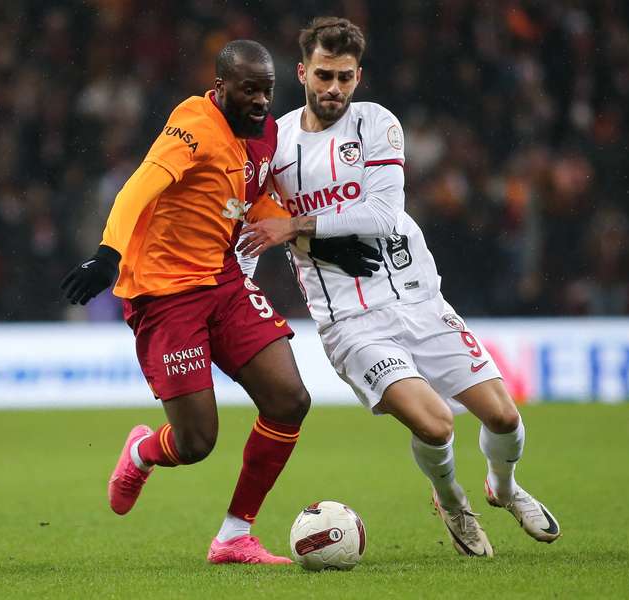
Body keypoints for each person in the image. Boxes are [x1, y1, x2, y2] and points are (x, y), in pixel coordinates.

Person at [238, 17, 561, 557]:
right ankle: (452, 499)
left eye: (344, 77)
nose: (333, 88)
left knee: (505, 418)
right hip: (351, 322)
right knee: (436, 426)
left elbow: (385, 214)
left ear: (358, 77)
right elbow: (254, 221)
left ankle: (502, 488)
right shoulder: (275, 145)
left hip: (420, 301)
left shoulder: (377, 124)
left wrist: (296, 227)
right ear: (301, 73)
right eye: (323, 75)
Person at [61, 40, 314, 565]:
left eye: (267, 90)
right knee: (197, 441)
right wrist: (108, 257)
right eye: (249, 90)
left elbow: (248, 198)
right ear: (220, 88)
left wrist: (293, 230)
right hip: (166, 295)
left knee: (290, 399)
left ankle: (233, 536)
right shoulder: (193, 124)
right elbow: (137, 189)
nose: (262, 101)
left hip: (223, 282)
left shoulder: (264, 133)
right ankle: (141, 452)